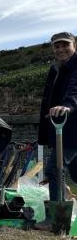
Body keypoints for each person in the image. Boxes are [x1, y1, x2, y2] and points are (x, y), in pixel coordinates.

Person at [37, 32, 77, 202]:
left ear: (74, 45)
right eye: (57, 46)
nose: (61, 49)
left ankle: (56, 219)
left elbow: (75, 89)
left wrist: (67, 105)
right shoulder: (56, 69)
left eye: (65, 45)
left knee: (54, 169)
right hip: (61, 126)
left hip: (72, 128)